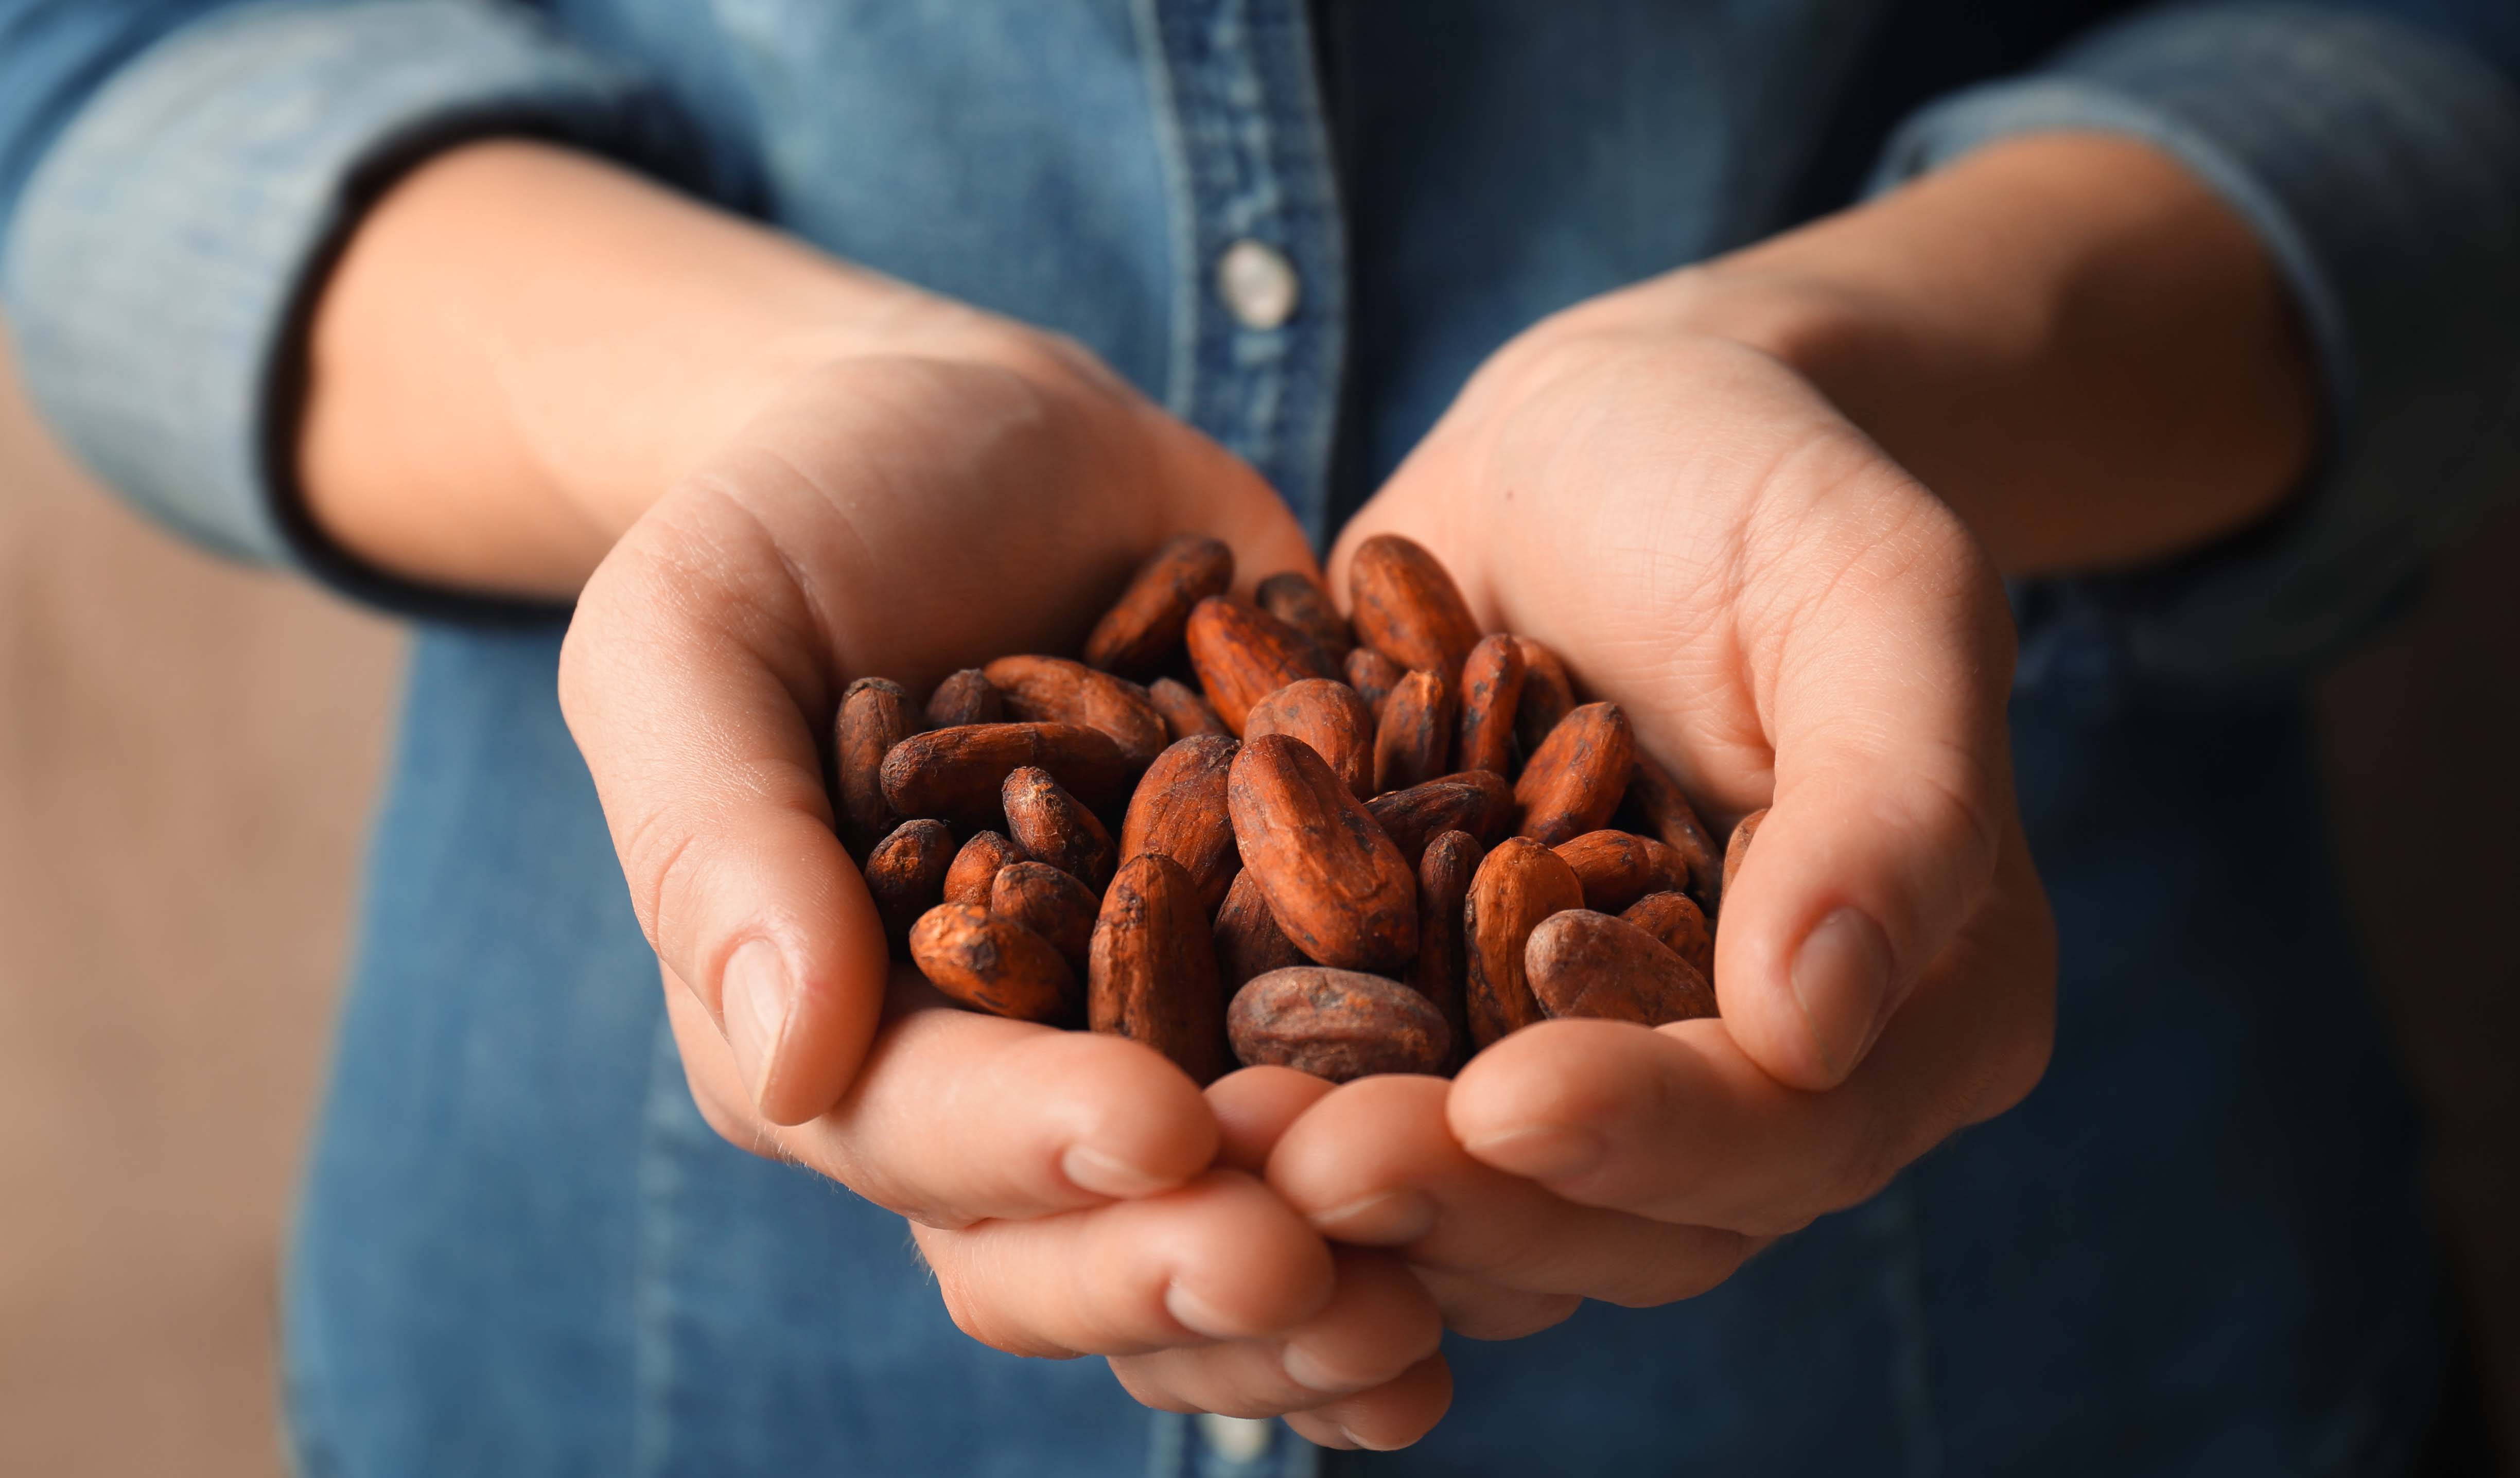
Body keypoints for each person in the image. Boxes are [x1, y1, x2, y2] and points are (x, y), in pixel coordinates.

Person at [6, 1, 2516, 1472]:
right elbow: (96, 80)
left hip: (2030, 1340)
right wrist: (773, 406)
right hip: (647, 1341)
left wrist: (1848, 377)